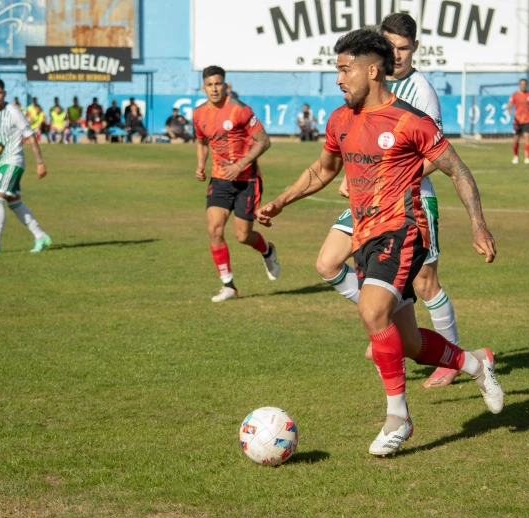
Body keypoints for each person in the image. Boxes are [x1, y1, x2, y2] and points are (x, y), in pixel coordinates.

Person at [256, 29, 503, 456]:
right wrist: (281, 201)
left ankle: (398, 418)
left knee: (373, 310)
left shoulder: (409, 120)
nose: (338, 78)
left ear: (372, 70)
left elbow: (457, 170)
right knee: (407, 344)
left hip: (404, 228)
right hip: (366, 230)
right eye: (337, 69)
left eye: (345, 69)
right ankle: (475, 365)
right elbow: (322, 169)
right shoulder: (340, 120)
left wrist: (478, 225)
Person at [315, 13, 462, 389]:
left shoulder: (420, 91)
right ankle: (380, 317)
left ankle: (451, 357)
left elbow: (437, 154)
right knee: (328, 262)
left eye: (403, 47)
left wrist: (390, 178)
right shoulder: (364, 91)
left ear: (414, 48)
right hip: (368, 202)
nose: (396, 54)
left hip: (410, 202)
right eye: (390, 46)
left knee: (427, 282)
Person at [192, 65, 278, 302]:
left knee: (243, 236)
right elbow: (201, 141)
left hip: (246, 180)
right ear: (203, 87)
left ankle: (267, 250)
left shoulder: (240, 110)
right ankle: (229, 285)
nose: (214, 89)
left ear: (225, 85)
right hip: (219, 180)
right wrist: (201, 164)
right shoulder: (199, 114)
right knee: (214, 229)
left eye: (218, 84)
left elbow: (264, 141)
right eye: (209, 85)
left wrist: (240, 165)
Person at [0, 79, 52, 255]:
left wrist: (40, 163)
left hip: (13, 161)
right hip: (1, 164)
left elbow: (31, 137)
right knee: (14, 202)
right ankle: (41, 236)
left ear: (5, 93)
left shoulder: (14, 112)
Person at [508, 78, 529, 164]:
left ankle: (527, 158)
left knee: (527, 138)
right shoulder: (515, 95)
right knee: (516, 140)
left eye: (524, 84)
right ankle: (516, 156)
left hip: (527, 120)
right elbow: (509, 105)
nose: (523, 85)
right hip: (517, 121)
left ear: (526, 85)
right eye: (521, 84)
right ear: (519, 85)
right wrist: (509, 110)